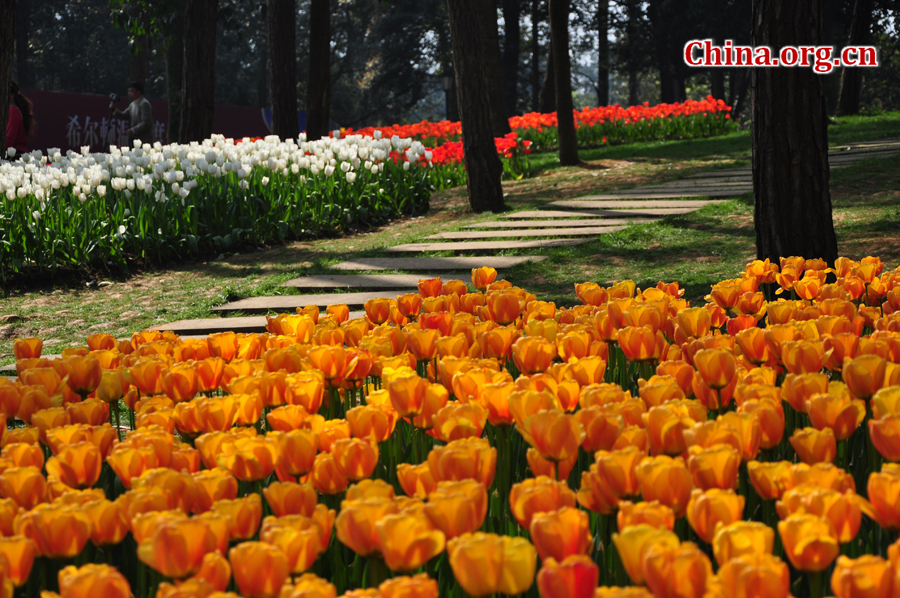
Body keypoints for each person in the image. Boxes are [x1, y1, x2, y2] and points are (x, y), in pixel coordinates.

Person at [7, 81, 34, 155]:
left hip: (15, 154)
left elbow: (10, 137)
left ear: (12, 95)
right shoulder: (15, 110)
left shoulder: (12, 111)